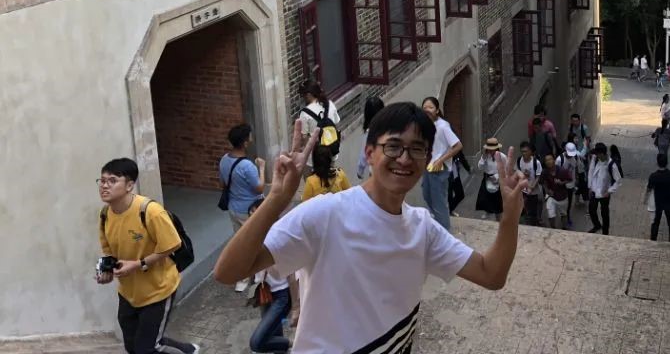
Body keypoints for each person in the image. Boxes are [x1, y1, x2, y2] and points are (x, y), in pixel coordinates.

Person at [215, 103, 528, 353]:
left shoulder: (422, 229)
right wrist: (276, 199)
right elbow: (228, 272)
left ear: (426, 159)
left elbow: (491, 274)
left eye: (417, 149)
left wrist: (510, 216)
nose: (404, 159)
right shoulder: (325, 214)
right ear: (369, 153)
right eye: (393, 146)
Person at [96, 158, 198, 354]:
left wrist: (138, 264)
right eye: (102, 180)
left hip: (158, 290)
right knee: (132, 346)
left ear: (129, 185)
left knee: (146, 348)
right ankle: (189, 350)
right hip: (128, 293)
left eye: (112, 180)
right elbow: (108, 249)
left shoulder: (150, 211)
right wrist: (105, 270)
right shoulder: (105, 214)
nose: (104, 186)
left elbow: (172, 244)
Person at [220, 123, 266, 292]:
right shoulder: (247, 166)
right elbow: (259, 188)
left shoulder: (224, 160)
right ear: (245, 143)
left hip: (234, 208)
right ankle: (259, 277)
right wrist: (262, 168)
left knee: (240, 243)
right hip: (251, 210)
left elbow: (222, 183)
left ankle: (242, 279)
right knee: (256, 242)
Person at [247, 199, 292, 354]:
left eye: (256, 214)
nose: (253, 219)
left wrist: (297, 306)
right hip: (264, 292)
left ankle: (295, 343)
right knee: (273, 332)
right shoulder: (253, 238)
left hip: (281, 295)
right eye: (251, 215)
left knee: (257, 342)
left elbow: (292, 274)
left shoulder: (278, 237)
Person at [421, 96, 462, 231]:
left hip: (440, 168)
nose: (427, 110)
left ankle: (444, 231)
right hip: (428, 166)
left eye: (430, 107)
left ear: (437, 110)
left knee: (439, 202)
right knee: (427, 195)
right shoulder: (425, 125)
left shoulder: (443, 126)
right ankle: (437, 224)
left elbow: (457, 146)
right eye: (425, 108)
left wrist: (441, 160)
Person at [587, 143, 621, 235]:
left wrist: (609, 191)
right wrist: (590, 186)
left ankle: (605, 232)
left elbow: (618, 181)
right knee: (591, 210)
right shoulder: (595, 159)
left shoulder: (611, 165)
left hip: (604, 192)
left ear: (601, 154)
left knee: (604, 213)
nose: (595, 155)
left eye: (597, 153)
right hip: (594, 190)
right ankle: (597, 225)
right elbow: (591, 172)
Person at [647, 153, 670, 242]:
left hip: (658, 203)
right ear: (667, 162)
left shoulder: (653, 176)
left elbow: (648, 190)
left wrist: (645, 199)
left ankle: (653, 240)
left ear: (657, 163)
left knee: (655, 223)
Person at [475, 138, 508, 221]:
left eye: (492, 149)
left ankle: (498, 216)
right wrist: (483, 158)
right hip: (487, 178)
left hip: (498, 179)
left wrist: (497, 176)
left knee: (497, 200)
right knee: (485, 197)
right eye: (489, 149)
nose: (490, 151)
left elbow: (506, 170)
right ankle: (488, 211)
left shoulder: (503, 157)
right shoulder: (485, 156)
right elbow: (480, 167)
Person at [356, 96, 385, 179]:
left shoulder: (370, 134)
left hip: (377, 172)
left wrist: (360, 171)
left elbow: (364, 154)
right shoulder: (390, 126)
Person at [541, 154, 572, 229]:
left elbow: (570, 179)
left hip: (562, 196)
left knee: (563, 214)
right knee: (550, 215)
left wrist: (561, 182)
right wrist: (547, 190)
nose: (548, 161)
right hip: (551, 196)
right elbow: (542, 182)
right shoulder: (544, 172)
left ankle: (564, 228)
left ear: (554, 160)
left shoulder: (562, 170)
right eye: (546, 160)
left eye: (550, 159)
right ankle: (553, 229)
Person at [517, 141, 543, 226]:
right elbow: (518, 172)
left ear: (530, 151)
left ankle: (534, 223)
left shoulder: (536, 162)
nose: (524, 153)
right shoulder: (519, 160)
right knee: (523, 208)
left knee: (533, 210)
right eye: (522, 151)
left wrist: (532, 187)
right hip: (523, 190)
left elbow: (538, 176)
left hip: (533, 191)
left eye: (526, 151)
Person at [557, 142, 581, 227]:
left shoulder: (575, 157)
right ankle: (563, 217)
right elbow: (556, 172)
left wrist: (576, 178)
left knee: (569, 202)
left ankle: (567, 216)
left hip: (571, 184)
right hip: (562, 185)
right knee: (563, 203)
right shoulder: (559, 160)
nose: (571, 156)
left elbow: (576, 168)